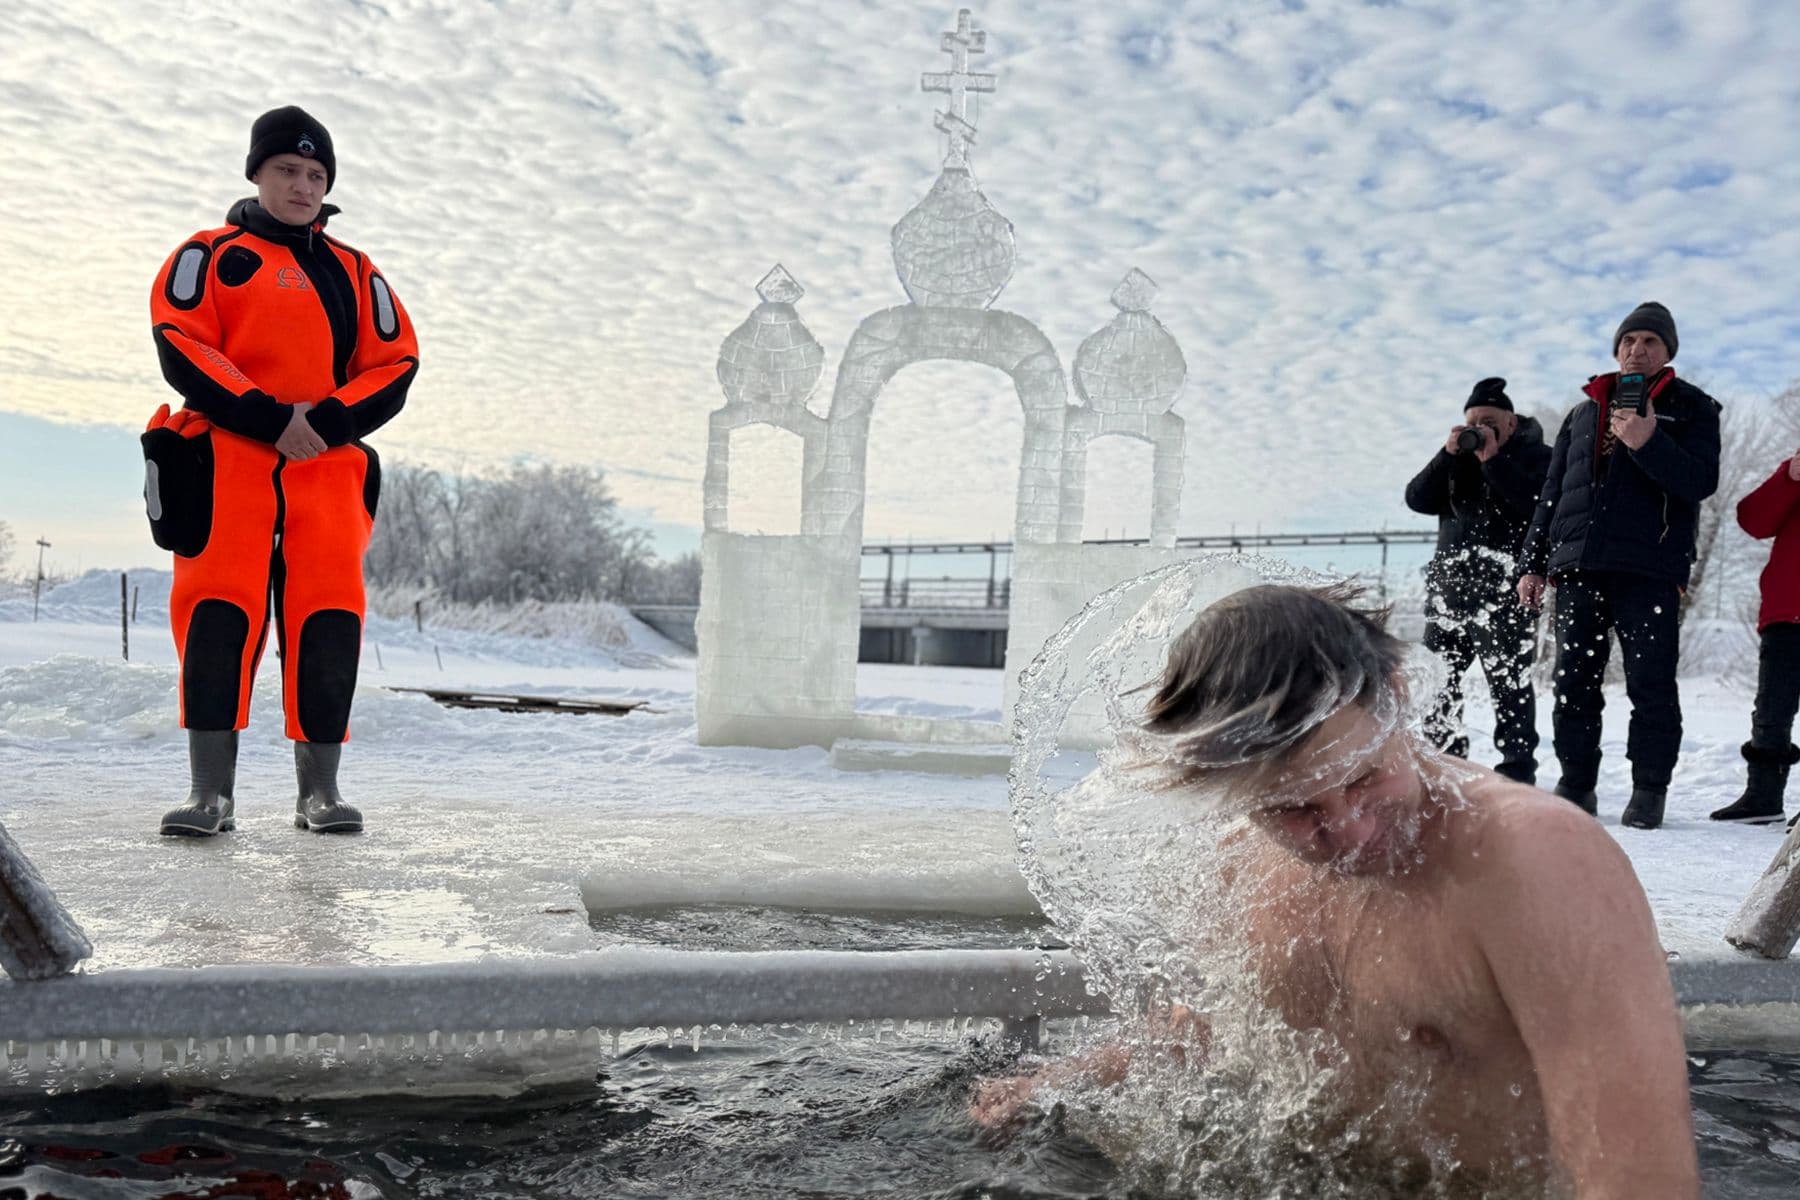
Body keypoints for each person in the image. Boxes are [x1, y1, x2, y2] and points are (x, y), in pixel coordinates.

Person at [972, 585, 1700, 1196]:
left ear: (1398, 699)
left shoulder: (1534, 862)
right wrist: (1061, 1079)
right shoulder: (1237, 861)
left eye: (1363, 777)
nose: (1347, 831)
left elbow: (1638, 1168)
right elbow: (1229, 1020)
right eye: (1293, 808)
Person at [146, 106, 419, 837]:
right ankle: (211, 795)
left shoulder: (357, 271)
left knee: (328, 619)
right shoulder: (207, 255)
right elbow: (181, 341)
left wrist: (322, 425)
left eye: (315, 175)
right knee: (216, 617)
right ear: (257, 173)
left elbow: (396, 364)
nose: (302, 185)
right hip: (225, 464)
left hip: (326, 470)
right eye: (287, 171)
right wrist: (271, 419)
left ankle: (319, 794)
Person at [1516, 302, 1721, 829]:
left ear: (1667, 351)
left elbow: (1700, 481)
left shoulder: (1694, 407)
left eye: (1651, 341)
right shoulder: (1584, 413)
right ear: (1616, 349)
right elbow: (1552, 493)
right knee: (1573, 681)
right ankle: (1576, 784)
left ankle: (1649, 788)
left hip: (1649, 567)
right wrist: (1532, 564)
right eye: (1629, 340)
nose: (1638, 349)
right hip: (1580, 564)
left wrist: (1649, 442)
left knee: (1650, 684)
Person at [1404, 376, 1550, 783]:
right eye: (1471, 421)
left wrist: (1493, 461)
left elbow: (1537, 505)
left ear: (1510, 422)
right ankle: (1446, 766)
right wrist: (1446, 454)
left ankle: (1517, 775)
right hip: (1449, 597)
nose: (1479, 428)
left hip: (1507, 596)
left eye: (1488, 420)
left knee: (1510, 689)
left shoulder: (1538, 457)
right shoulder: (1457, 462)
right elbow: (1416, 498)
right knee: (1438, 686)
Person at [1709, 447, 1800, 827]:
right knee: (1771, 711)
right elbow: (1752, 519)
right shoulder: (1794, 472)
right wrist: (1789, 477)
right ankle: (1763, 797)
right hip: (1786, 610)